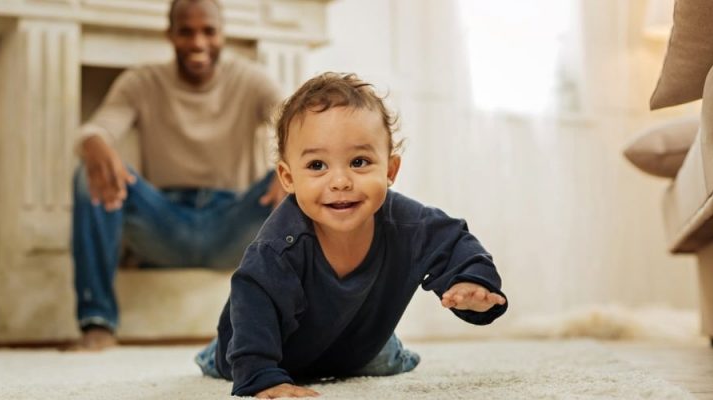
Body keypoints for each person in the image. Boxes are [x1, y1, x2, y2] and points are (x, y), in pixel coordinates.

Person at [194, 72, 509, 397]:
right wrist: (261, 376)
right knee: (233, 353)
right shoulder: (279, 246)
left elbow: (454, 241)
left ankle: (383, 350)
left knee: (381, 358)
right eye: (317, 166)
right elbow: (252, 297)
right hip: (274, 345)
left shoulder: (410, 225)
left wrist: (471, 281)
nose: (341, 181)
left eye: (359, 162)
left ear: (389, 170)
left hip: (356, 346)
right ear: (288, 178)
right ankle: (215, 352)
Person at [70, 0, 286, 350]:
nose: (198, 42)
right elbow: (99, 127)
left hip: (234, 224)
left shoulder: (251, 79)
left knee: (303, 178)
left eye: (208, 31)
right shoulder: (141, 81)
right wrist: (93, 142)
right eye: (186, 31)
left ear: (222, 35)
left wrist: (289, 163)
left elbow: (295, 123)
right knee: (88, 174)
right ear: (169, 35)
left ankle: (303, 322)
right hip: (164, 225)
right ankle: (97, 321)